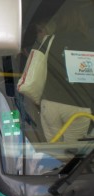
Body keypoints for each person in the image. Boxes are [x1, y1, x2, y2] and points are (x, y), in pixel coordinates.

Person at [40, 1, 94, 142]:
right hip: (79, 106)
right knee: (74, 153)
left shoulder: (50, 40)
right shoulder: (90, 43)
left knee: (54, 151)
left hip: (50, 104)